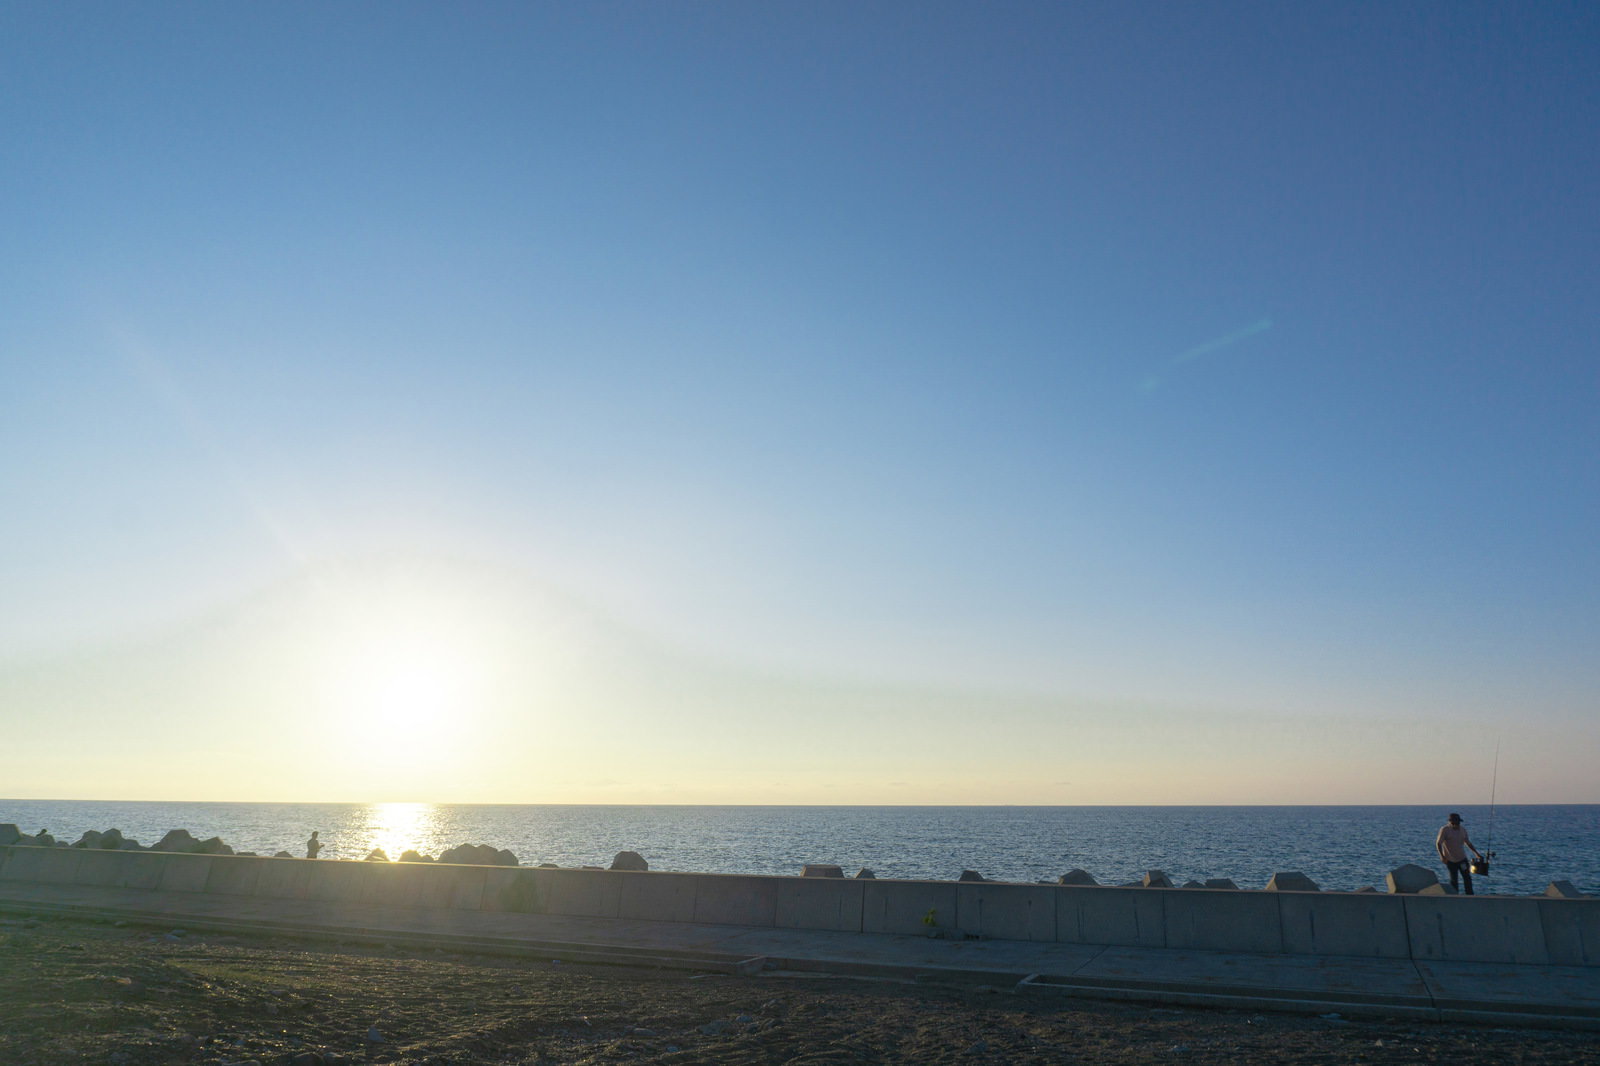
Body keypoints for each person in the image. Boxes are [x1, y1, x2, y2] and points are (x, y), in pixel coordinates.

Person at [1435, 812, 1483, 894]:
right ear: (1451, 822)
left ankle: (1470, 895)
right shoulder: (1445, 830)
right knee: (1454, 880)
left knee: (1467, 877)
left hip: (1462, 859)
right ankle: (1455, 896)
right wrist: (1442, 856)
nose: (1457, 824)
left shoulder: (1463, 830)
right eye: (1455, 822)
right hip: (1450, 860)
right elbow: (1438, 843)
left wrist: (1476, 853)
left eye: (1458, 822)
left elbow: (1468, 843)